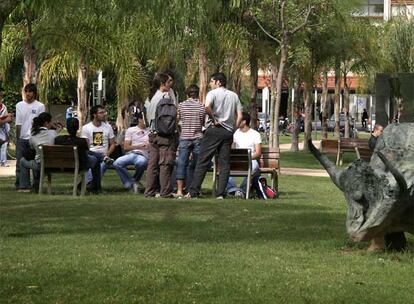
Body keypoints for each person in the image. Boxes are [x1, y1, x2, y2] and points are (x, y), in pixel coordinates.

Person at [187, 72, 243, 199]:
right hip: (227, 132)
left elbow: (207, 107)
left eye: (212, 81)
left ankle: (193, 191)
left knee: (203, 160)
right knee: (224, 164)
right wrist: (233, 129)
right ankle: (221, 193)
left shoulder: (212, 94)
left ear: (219, 82)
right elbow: (239, 115)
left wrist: (213, 119)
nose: (210, 84)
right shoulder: (234, 96)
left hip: (213, 129)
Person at [144, 73, 178, 198]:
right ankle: (165, 191)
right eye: (169, 82)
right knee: (165, 164)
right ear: (162, 84)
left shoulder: (153, 98)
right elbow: (173, 115)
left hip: (152, 134)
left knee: (152, 164)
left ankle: (149, 191)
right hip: (164, 135)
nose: (171, 84)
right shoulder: (165, 97)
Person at [54, 118, 101, 193]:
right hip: (79, 165)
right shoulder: (81, 141)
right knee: (96, 159)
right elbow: (86, 151)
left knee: (94, 157)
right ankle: (96, 187)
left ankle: (86, 185)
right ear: (78, 128)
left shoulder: (58, 139)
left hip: (61, 165)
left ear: (66, 127)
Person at [175, 84, 205, 197]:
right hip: (197, 137)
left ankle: (179, 190)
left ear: (187, 94)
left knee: (182, 163)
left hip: (184, 137)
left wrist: (180, 130)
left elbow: (177, 120)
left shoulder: (181, 105)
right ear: (197, 94)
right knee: (197, 165)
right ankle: (194, 189)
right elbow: (202, 122)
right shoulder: (201, 106)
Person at [18, 112, 60, 192]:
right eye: (50, 122)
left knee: (23, 161)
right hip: (54, 164)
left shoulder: (33, 136)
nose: (52, 123)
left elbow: (31, 149)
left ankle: (24, 185)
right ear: (46, 123)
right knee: (38, 158)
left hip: (41, 164)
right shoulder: (54, 133)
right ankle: (36, 185)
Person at [15, 84, 45, 189]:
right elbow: (18, 123)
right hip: (22, 138)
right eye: (26, 91)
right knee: (20, 162)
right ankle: (22, 185)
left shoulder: (40, 106)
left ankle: (36, 184)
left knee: (36, 161)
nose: (28, 94)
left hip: (35, 138)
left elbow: (42, 124)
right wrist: (18, 139)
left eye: (30, 91)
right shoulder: (19, 105)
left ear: (34, 93)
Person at [226, 112, 262, 198]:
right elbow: (232, 149)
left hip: (251, 160)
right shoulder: (235, 133)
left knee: (254, 168)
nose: (236, 121)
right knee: (225, 168)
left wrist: (247, 158)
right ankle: (233, 189)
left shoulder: (255, 134)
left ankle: (241, 190)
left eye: (238, 119)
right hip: (237, 160)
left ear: (244, 122)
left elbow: (258, 153)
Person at [81, 105, 116, 192]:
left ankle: (89, 184)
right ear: (94, 115)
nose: (104, 114)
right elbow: (86, 147)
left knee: (103, 163)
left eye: (104, 112)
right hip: (92, 154)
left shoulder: (108, 127)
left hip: (105, 155)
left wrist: (107, 154)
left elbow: (112, 144)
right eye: (101, 113)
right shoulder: (86, 128)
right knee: (94, 160)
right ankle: (93, 185)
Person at [112, 112, 149, 193]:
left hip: (143, 155)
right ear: (139, 119)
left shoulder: (150, 131)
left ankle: (134, 182)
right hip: (131, 154)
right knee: (116, 163)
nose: (147, 121)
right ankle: (131, 183)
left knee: (141, 163)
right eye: (145, 119)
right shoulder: (131, 130)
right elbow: (126, 147)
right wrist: (141, 145)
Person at [0, 87, 12, 167]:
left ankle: (3, 161)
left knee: (3, 145)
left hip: (3, 129)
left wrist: (9, 117)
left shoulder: (3, 106)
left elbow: (9, 119)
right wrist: (6, 117)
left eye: (1, 95)